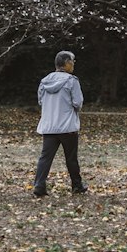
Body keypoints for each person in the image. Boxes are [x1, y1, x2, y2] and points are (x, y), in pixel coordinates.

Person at [33, 50, 87, 198]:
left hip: (49, 126)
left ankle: (39, 184)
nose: (74, 64)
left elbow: (40, 101)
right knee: (71, 158)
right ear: (67, 63)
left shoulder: (45, 81)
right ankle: (77, 185)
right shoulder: (72, 81)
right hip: (67, 126)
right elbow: (78, 102)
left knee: (45, 157)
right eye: (73, 61)